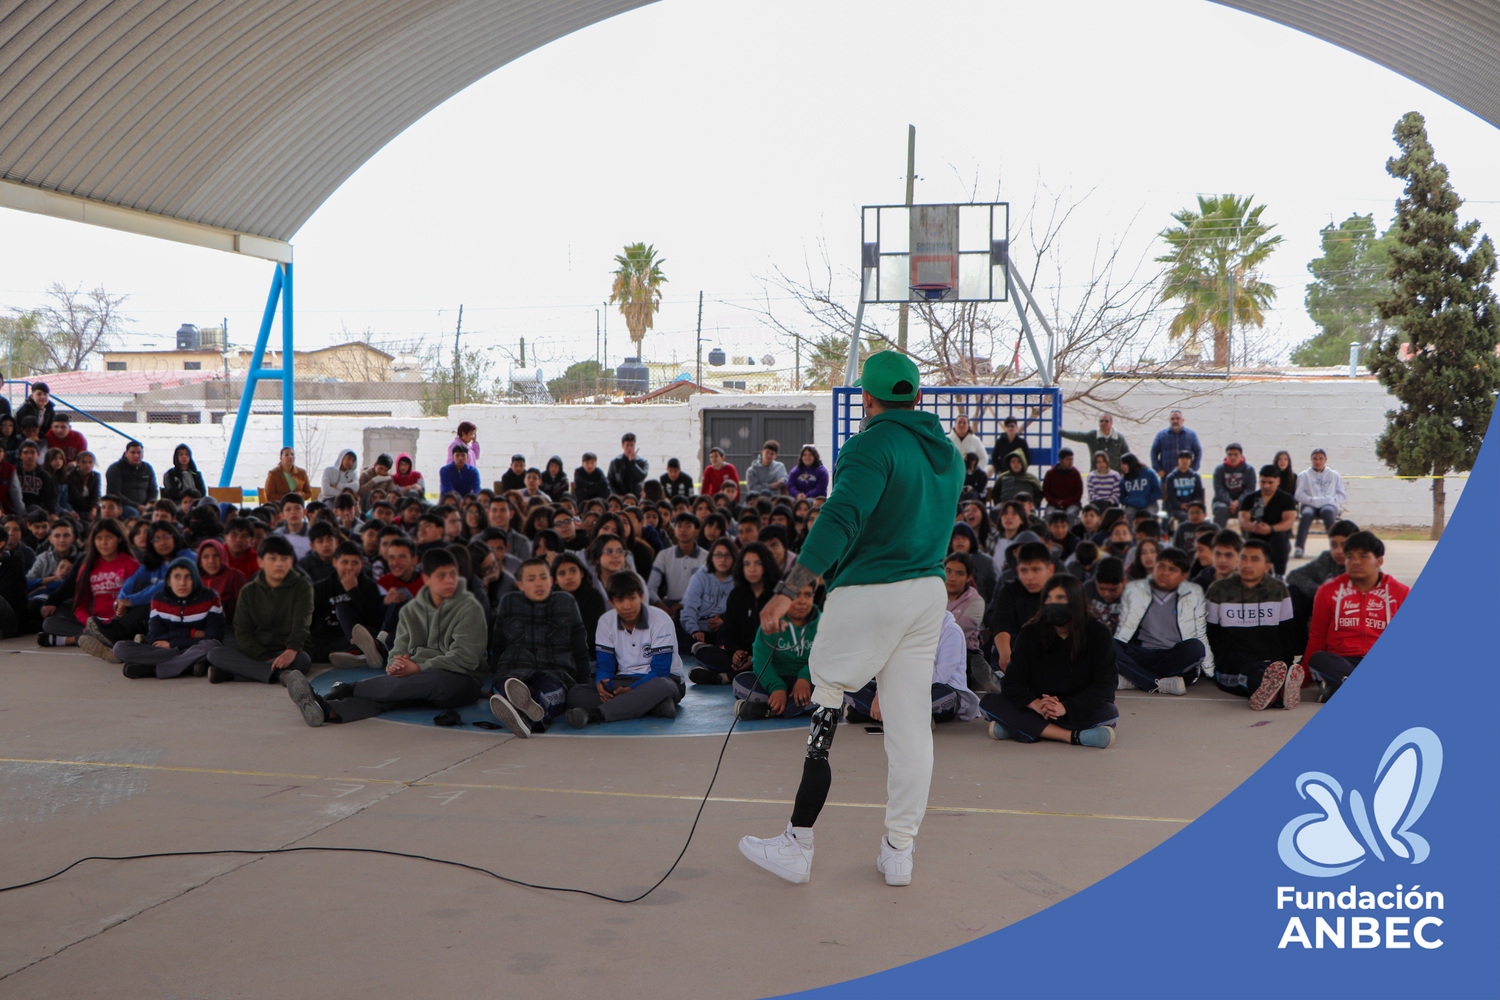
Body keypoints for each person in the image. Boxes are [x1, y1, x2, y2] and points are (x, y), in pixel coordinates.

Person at [739, 350, 962, 888]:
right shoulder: (949, 454)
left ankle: (797, 843)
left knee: (826, 704)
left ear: (866, 398)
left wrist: (790, 589)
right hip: (927, 595)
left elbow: (840, 517)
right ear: (917, 396)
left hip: (869, 591)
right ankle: (899, 851)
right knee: (910, 729)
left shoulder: (870, 444)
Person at [288, 548, 488, 727]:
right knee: (393, 694)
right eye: (441, 576)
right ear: (427, 579)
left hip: (461, 680)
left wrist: (418, 667)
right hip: (414, 679)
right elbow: (398, 648)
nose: (449, 581)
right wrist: (395, 665)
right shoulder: (412, 610)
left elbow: (466, 658)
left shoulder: (469, 609)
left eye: (453, 575)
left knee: (433, 679)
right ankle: (327, 709)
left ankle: (349, 689)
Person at [979, 574, 1118, 747]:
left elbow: (1105, 685)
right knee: (989, 703)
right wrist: (1035, 704)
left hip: (1077, 708)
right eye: (1048, 598)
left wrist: (1065, 708)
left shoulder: (1099, 633)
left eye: (1060, 598)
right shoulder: (1030, 632)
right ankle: (1071, 736)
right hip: (1038, 707)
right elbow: (1012, 682)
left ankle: (1019, 727)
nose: (1053, 604)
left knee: (1108, 712)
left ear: (1076, 601)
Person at [485, 557, 592, 737]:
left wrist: (582, 683)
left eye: (543, 578)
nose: (539, 583)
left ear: (551, 580)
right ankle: (525, 713)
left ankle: (526, 713)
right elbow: (498, 645)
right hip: (513, 669)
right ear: (520, 585)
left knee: (548, 693)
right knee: (507, 687)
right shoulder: (509, 602)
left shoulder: (566, 602)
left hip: (555, 672)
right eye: (531, 579)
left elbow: (580, 647)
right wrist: (495, 674)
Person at [565, 571, 685, 727]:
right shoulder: (606, 621)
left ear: (641, 596)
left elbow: (661, 671)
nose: (627, 606)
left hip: (664, 681)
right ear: (612, 602)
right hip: (624, 680)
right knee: (575, 694)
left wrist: (632, 689)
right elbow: (605, 666)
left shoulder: (660, 620)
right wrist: (602, 683)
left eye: (632, 598)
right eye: (620, 600)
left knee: (662, 685)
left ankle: (597, 714)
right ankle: (651, 706)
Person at [1302, 530, 1408, 701]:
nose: (1356, 561)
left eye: (1363, 556)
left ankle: (1336, 687)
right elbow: (1317, 637)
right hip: (1341, 661)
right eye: (1350, 557)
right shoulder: (1328, 592)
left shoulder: (1401, 592)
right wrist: (1303, 678)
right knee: (1318, 659)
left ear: (1379, 560)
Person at [1205, 537, 1302, 709]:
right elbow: (1211, 634)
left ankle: (1277, 689)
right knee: (1253, 673)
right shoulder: (1219, 589)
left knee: (1269, 670)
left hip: (1271, 663)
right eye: (1243, 558)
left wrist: (1287, 663)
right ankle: (1279, 691)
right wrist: (1215, 663)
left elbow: (1286, 633)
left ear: (1267, 566)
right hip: (1233, 663)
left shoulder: (1278, 590)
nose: (1247, 564)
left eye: (1254, 559)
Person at [206, 535, 314, 684]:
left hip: (287, 650)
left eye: (284, 559)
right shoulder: (248, 591)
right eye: (273, 558)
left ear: (291, 561)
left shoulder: (302, 587)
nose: (279, 564)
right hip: (255, 650)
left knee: (302, 661)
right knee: (215, 654)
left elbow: (301, 624)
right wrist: (264, 658)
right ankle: (279, 675)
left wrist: (292, 650)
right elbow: (242, 631)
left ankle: (232, 674)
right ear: (260, 561)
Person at [1112, 547, 1212, 696]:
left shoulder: (1192, 596)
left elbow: (1201, 634)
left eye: (1172, 569)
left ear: (1183, 576)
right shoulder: (1137, 592)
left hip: (1173, 656)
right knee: (1104, 642)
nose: (1164, 572)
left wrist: (1210, 670)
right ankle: (1154, 682)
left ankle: (1133, 678)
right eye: (1161, 566)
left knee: (1196, 648)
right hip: (1142, 654)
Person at [112, 557, 225, 679]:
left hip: (194, 648)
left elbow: (213, 636)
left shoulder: (210, 598)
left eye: (188, 577)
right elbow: (155, 638)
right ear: (169, 581)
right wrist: (193, 634)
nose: (182, 583)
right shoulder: (159, 599)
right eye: (177, 577)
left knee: (212, 646)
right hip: (170, 651)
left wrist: (172, 642)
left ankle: (152, 670)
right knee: (120, 648)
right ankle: (188, 664)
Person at [733, 581, 819, 720]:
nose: (802, 601)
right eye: (796, 595)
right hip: (777, 678)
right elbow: (760, 661)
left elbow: (824, 658)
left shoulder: (822, 623)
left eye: (808, 595)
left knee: (832, 687)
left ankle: (769, 710)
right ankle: (804, 707)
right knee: (740, 682)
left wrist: (805, 679)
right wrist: (776, 687)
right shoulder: (770, 623)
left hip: (810, 681)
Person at [1286, 518, 1358, 654]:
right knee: (1293, 592)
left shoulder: (1364, 566)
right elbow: (1294, 576)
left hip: (1349, 616)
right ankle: (1299, 647)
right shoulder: (1327, 559)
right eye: (1334, 545)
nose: (1338, 551)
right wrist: (1320, 592)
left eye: (1344, 545)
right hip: (1322, 604)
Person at [1239, 464, 1297, 577]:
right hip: (1256, 534)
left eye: (1270, 482)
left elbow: (1289, 521)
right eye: (1263, 482)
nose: (1266, 486)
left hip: (1278, 536)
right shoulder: (1250, 498)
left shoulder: (1286, 499)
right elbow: (1243, 519)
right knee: (1252, 540)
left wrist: (1271, 529)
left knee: (1278, 538)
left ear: (1278, 481)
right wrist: (1253, 526)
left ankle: (1279, 574)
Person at [681, 537, 736, 647]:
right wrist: (694, 630)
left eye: (727, 555)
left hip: (725, 629)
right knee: (672, 625)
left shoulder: (739, 580)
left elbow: (741, 611)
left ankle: (710, 650)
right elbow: (689, 608)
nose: (723, 559)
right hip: (699, 628)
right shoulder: (699, 577)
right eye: (718, 555)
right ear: (711, 558)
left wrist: (724, 620)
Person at [1293, 449, 1347, 558]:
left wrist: (1329, 500)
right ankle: (1299, 547)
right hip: (1310, 503)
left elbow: (1342, 495)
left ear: (1325, 460)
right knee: (1307, 514)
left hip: (1329, 504)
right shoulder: (1304, 475)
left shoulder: (1334, 475)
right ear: (1311, 460)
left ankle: (1335, 547)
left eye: (1320, 459)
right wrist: (1311, 500)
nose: (1317, 462)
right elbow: (1298, 494)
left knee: (1327, 512)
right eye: (1315, 459)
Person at [195, 538, 247, 625]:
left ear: (222, 557)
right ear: (200, 562)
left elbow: (246, 608)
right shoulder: (196, 579)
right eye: (206, 557)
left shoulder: (234, 576)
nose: (211, 561)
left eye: (216, 556)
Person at [1059, 412, 1128, 471]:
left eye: (1106, 421)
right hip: (1096, 475)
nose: (1103, 423)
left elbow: (1127, 455)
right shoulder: (1093, 435)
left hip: (1115, 475)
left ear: (1111, 423)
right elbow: (1078, 436)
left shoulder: (1119, 438)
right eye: (1101, 421)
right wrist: (1062, 433)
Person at [1211, 444, 1257, 528]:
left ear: (1241, 456)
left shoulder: (1249, 470)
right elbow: (1219, 490)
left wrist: (1238, 502)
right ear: (1226, 456)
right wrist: (1230, 503)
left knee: (1248, 509)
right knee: (1222, 509)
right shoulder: (1219, 469)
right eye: (1230, 454)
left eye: (1236, 454)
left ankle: (1248, 535)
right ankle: (1217, 535)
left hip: (1242, 502)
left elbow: (1250, 490)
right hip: (1222, 502)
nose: (1232, 457)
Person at [106, 440, 158, 512]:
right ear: (126, 453)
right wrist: (137, 506)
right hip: (123, 505)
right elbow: (115, 493)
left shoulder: (147, 468)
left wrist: (149, 504)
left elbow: (153, 490)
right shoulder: (116, 468)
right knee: (133, 512)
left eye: (139, 452)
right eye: (133, 453)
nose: (136, 455)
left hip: (145, 505)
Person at [1148, 409, 1201, 478]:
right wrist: (1158, 469)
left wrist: (1194, 468)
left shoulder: (1191, 435)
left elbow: (1198, 452)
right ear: (1169, 420)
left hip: (1186, 477)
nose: (1175, 421)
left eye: (1178, 418)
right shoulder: (1161, 435)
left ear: (1182, 420)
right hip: (1166, 476)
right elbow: (1154, 452)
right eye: (1172, 419)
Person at [1160, 450, 1204, 528]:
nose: (1185, 461)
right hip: (1175, 508)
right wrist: (1180, 505)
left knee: (1198, 516)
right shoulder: (1171, 477)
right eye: (1182, 459)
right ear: (1178, 461)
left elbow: (1198, 494)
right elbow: (1170, 496)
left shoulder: (1196, 476)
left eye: (1187, 459)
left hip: (1193, 507)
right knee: (1184, 516)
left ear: (1190, 461)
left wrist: (1191, 505)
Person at [1083, 556, 1125, 632]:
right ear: (1095, 582)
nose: (1107, 594)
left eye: (1113, 589)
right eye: (1101, 589)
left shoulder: (1134, 595)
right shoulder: (1086, 590)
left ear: (1124, 582)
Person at [1118, 453, 1160, 522]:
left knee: (1146, 517)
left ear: (1131, 463)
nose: (1121, 466)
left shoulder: (1149, 473)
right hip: (1132, 505)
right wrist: (1129, 501)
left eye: (1123, 463)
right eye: (1121, 464)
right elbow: (1121, 497)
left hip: (1149, 503)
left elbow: (1158, 492)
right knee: (1127, 515)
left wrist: (1146, 500)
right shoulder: (1124, 479)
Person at [15, 441, 56, 512]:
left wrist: (53, 512)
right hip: (15, 509)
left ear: (38, 454)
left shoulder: (44, 475)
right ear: (20, 455)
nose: (29, 456)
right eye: (26, 453)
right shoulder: (13, 472)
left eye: (33, 452)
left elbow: (50, 498)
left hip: (37, 511)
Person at [1041, 448, 1083, 516]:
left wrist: (1065, 502)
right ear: (1060, 460)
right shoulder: (1050, 473)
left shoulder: (1075, 473)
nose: (1071, 462)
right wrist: (1056, 502)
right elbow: (1046, 491)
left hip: (1072, 504)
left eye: (1072, 459)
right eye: (1068, 459)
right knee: (1049, 514)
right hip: (1054, 504)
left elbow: (1078, 494)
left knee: (1070, 514)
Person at [607, 432, 649, 497]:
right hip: (620, 497)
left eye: (632, 445)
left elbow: (641, 477)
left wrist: (632, 463)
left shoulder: (643, 462)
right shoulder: (615, 462)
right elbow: (610, 481)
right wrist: (618, 495)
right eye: (627, 445)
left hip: (636, 497)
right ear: (622, 446)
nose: (630, 448)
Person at [65, 451, 100, 521]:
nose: (87, 465)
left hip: (91, 507)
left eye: (90, 462)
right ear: (78, 463)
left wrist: (94, 508)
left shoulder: (96, 476)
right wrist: (91, 507)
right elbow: (76, 497)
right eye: (84, 462)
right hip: (76, 508)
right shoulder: (70, 476)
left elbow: (96, 494)